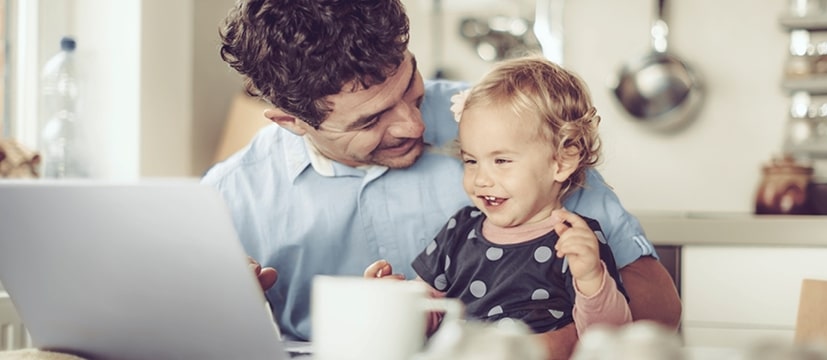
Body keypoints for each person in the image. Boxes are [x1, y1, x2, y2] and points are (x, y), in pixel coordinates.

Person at [204, 0, 680, 357]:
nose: (414, 125)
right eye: (370, 122)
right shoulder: (229, 199)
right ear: (291, 121)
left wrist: (542, 346)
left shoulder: (508, 124)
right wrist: (224, 312)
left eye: (411, 86)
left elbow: (659, 308)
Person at [364, 56, 633, 338]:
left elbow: (608, 340)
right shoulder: (459, 230)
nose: (481, 179)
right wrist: (391, 302)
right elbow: (426, 315)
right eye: (470, 161)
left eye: (502, 161)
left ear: (562, 162)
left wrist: (591, 279)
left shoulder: (575, 240)